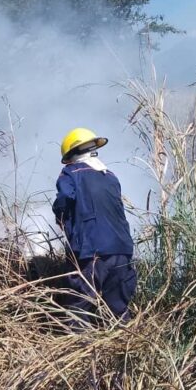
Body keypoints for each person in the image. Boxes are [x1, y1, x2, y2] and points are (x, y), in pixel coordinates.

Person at [52, 128, 137, 326]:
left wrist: (61, 219)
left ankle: (79, 353)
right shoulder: (110, 176)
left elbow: (64, 201)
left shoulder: (70, 173)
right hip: (122, 251)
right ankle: (124, 351)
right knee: (117, 312)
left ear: (71, 155)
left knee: (78, 309)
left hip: (91, 253)